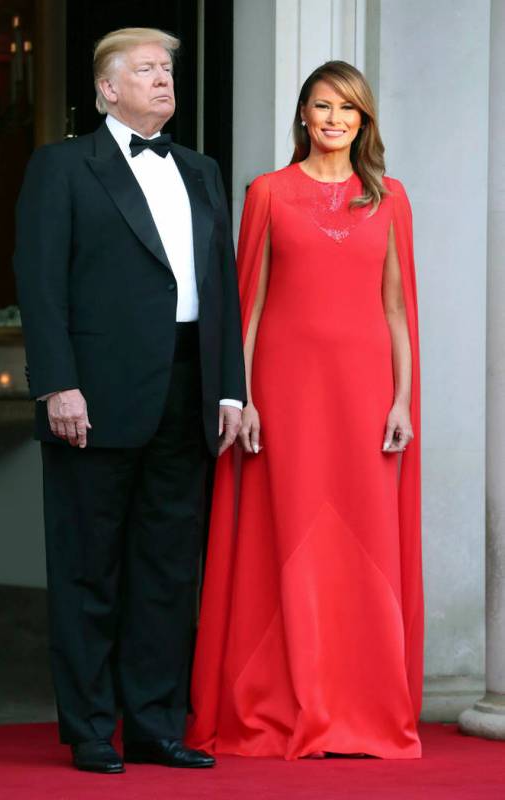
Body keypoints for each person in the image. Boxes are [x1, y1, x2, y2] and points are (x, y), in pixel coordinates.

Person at [14, 27, 245, 773]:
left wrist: (231, 387)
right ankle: (88, 728)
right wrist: (56, 381)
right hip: (94, 393)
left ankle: (153, 726)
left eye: (168, 70)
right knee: (88, 567)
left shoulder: (201, 170)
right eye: (145, 70)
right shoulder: (62, 167)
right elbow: (40, 282)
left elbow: (222, 289)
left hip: (188, 392)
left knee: (168, 569)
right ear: (106, 89)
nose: (163, 80)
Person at [187, 60, 423, 760]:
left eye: (347, 109)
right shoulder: (266, 192)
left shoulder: (390, 198)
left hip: (363, 393)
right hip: (282, 395)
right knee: (279, 535)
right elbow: (246, 306)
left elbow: (396, 309)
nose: (333, 119)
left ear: (363, 121)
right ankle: (279, 702)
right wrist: (245, 397)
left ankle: (359, 705)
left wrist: (402, 400)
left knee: (363, 540)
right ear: (302, 115)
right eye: (321, 106)